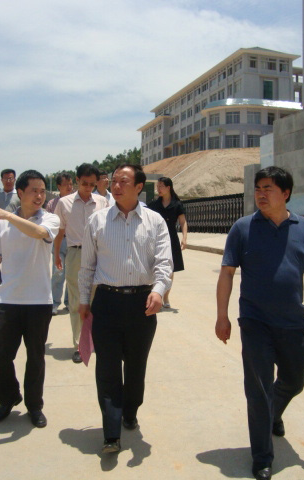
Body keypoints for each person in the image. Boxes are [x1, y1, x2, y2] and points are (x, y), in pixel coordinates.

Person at [215, 166, 304, 480]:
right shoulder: (243, 228)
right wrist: (222, 315)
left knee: (296, 378)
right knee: (258, 388)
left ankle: (274, 412)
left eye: (268, 188)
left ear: (286, 193)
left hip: (293, 321)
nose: (261, 194)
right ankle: (263, 458)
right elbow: (227, 273)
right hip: (255, 321)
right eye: (258, 188)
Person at [78, 164, 172, 454]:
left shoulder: (155, 221)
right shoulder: (97, 221)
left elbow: (164, 263)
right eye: (114, 181)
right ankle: (111, 433)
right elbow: (87, 266)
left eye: (123, 181)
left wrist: (158, 291)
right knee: (107, 369)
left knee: (135, 367)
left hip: (142, 305)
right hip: (107, 303)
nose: (116, 186)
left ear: (139, 187)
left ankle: (130, 410)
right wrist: (84, 300)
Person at [0, 169, 60, 428]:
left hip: (38, 302)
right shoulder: (2, 225)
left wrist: (8, 215)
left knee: (35, 358)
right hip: (7, 300)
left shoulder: (50, 219)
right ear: (20, 192)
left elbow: (38, 233)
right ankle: (8, 398)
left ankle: (34, 406)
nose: (39, 196)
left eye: (42, 191)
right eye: (34, 191)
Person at [54, 163, 109, 363]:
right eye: (84, 183)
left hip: (99, 255)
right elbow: (59, 232)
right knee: (77, 301)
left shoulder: (102, 202)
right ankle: (79, 344)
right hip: (75, 254)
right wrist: (56, 255)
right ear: (76, 180)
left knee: (97, 300)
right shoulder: (64, 203)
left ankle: (95, 341)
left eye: (92, 184)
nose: (88, 188)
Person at [147, 176, 188, 308]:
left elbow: (183, 222)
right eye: (157, 186)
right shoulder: (153, 205)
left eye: (161, 186)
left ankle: (166, 296)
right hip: (156, 239)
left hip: (171, 239)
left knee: (170, 268)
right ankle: (155, 294)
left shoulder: (177, 204)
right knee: (154, 266)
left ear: (168, 187)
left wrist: (184, 238)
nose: (158, 189)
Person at [0, 169, 21, 293]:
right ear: (1, 180)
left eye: (11, 178)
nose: (8, 181)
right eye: (6, 178)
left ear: (15, 179)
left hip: (14, 229)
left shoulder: (19, 195)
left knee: (12, 257)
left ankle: (13, 284)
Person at [46, 173, 74, 315]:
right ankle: (54, 303)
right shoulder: (52, 204)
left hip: (73, 241)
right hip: (58, 241)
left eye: (71, 184)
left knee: (72, 274)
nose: (69, 187)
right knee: (58, 273)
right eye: (65, 184)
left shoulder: (77, 202)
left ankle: (70, 303)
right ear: (58, 186)